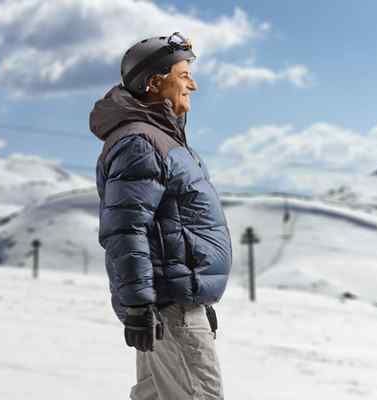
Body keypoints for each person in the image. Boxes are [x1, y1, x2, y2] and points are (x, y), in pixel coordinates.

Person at [90, 32, 232, 400]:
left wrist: (195, 297)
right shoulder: (142, 142)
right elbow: (126, 229)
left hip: (175, 306)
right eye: (183, 75)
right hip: (170, 309)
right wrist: (139, 304)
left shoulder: (162, 140)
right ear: (155, 83)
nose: (193, 85)